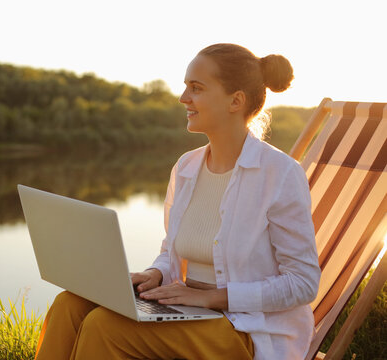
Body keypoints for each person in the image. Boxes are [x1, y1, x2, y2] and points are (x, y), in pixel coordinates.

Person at [34, 43, 321, 360]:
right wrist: (156, 273)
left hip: (245, 330)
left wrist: (215, 297)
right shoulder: (186, 167)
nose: (183, 98)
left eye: (196, 88)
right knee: (69, 305)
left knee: (105, 326)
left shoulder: (280, 175)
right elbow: (171, 248)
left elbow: (303, 283)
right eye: (186, 87)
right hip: (187, 309)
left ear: (235, 101)